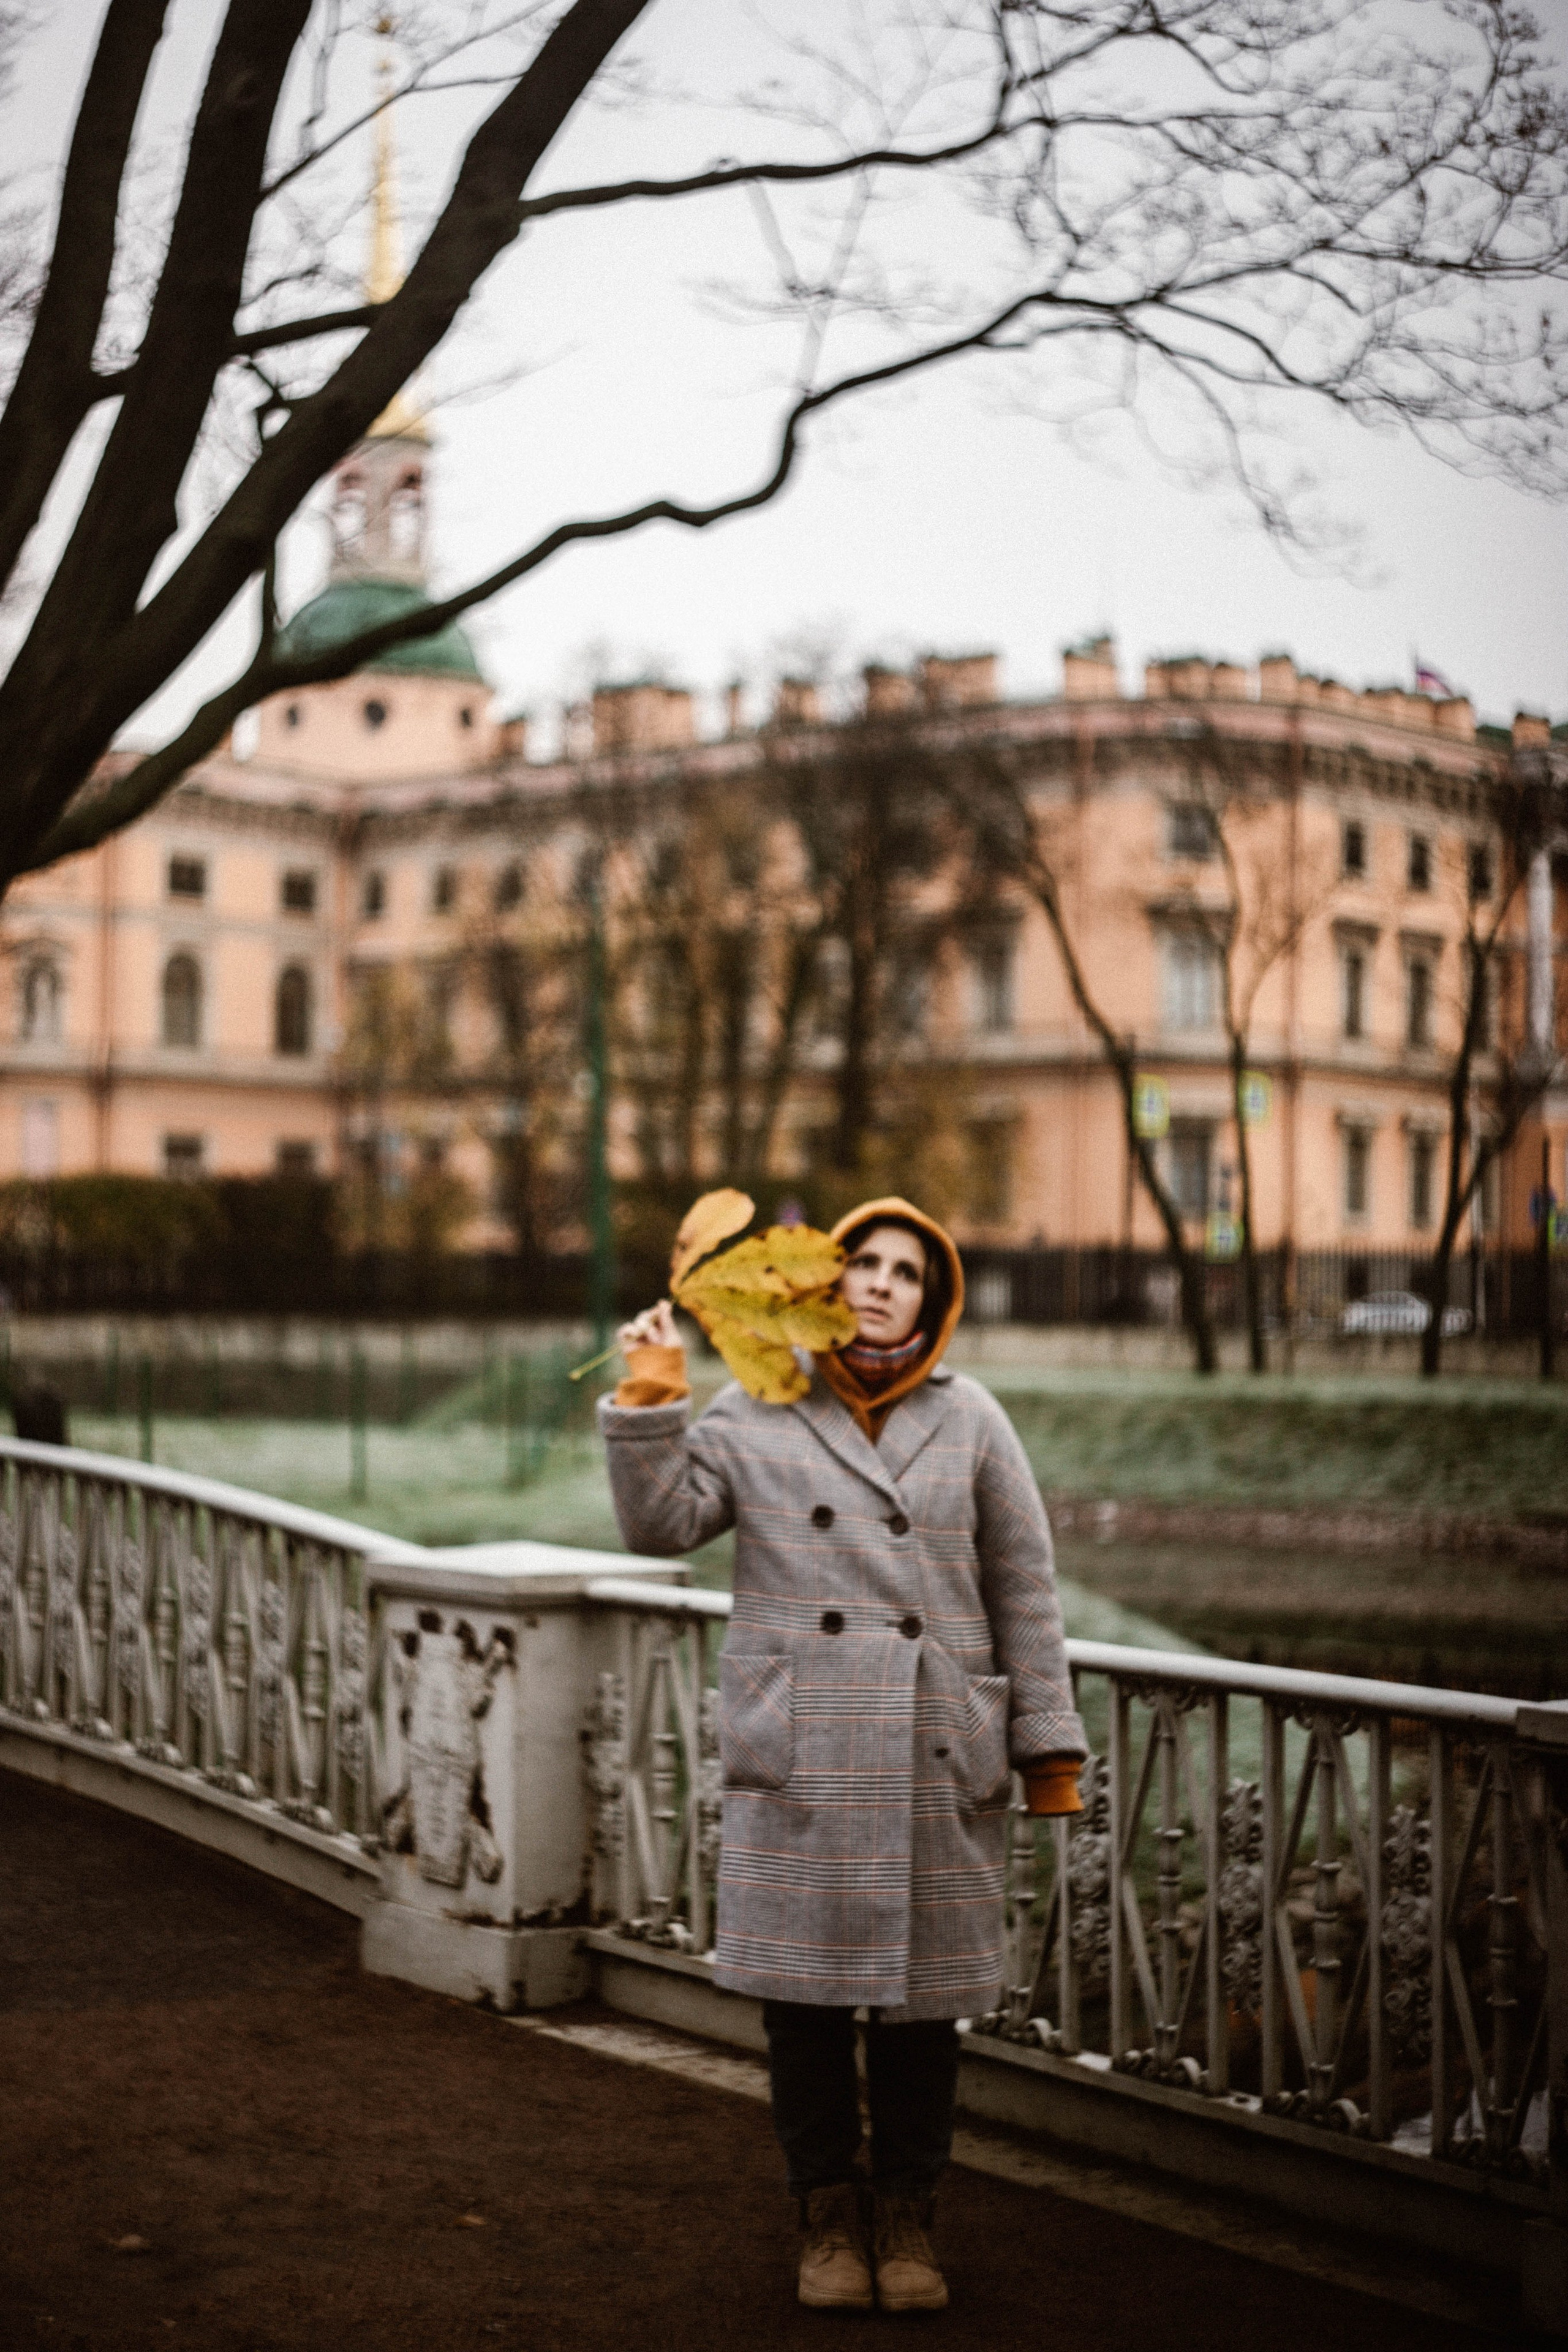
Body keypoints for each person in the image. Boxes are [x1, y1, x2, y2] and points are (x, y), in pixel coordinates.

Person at [599, 1196, 1086, 2315]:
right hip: (806, 1753)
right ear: (825, 1278)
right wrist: (651, 1397)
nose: (881, 1283)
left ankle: (907, 2217)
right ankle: (826, 2215)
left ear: (936, 1298)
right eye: (863, 1262)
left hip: (931, 1750)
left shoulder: (975, 1421)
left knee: (922, 2018)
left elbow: (1025, 1586)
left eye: (908, 1272)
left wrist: (1045, 1747)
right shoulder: (760, 1404)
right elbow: (660, 1525)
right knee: (804, 2013)